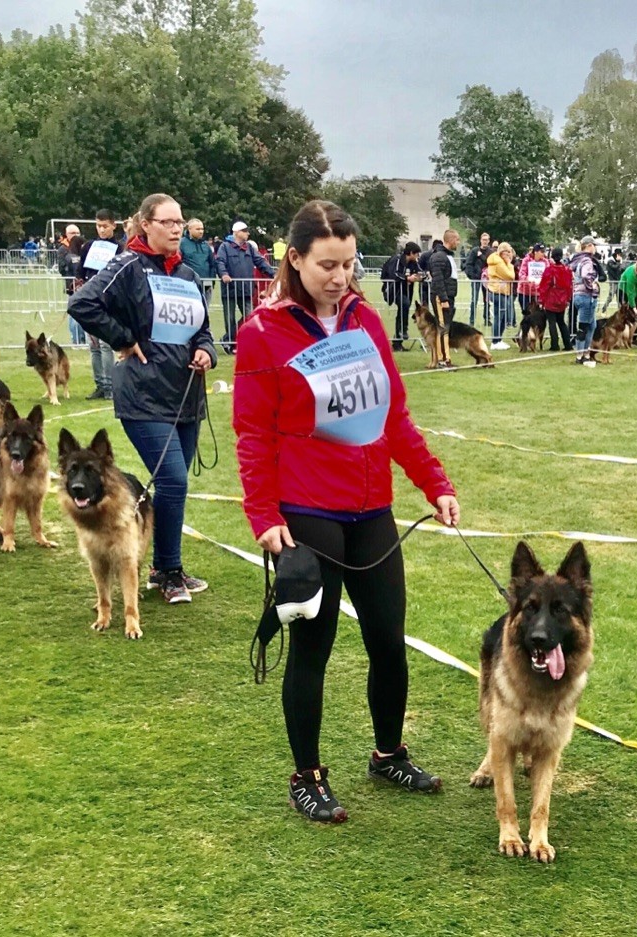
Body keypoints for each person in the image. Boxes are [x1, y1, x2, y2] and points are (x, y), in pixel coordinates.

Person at [232, 199, 459, 824]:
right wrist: (264, 517)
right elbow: (252, 435)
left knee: (389, 642)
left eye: (348, 264)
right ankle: (306, 775)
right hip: (308, 512)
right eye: (326, 264)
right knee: (315, 648)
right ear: (295, 258)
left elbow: (393, 417)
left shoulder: (367, 323)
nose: (339, 277)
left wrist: (433, 483)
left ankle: (389, 753)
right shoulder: (262, 333)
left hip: (373, 510)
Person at [68, 193, 217, 604]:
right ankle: (168, 571)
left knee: (172, 487)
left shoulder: (187, 274)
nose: (176, 229)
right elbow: (82, 303)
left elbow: (202, 327)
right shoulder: (127, 266)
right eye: (167, 222)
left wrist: (207, 350)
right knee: (172, 479)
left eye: (180, 222)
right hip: (143, 395)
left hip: (185, 393)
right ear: (146, 224)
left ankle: (162, 567)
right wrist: (124, 338)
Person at [78, 209, 126, 399]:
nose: (101, 230)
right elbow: (81, 271)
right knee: (94, 345)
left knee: (106, 345)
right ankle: (100, 384)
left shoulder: (119, 248)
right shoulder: (89, 246)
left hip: (109, 300)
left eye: (105, 226)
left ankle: (110, 385)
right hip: (90, 299)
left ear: (114, 225)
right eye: (98, 226)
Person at [215, 220, 274, 353]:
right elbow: (220, 262)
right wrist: (224, 274)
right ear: (236, 232)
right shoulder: (225, 246)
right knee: (229, 318)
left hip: (246, 289)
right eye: (244, 231)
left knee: (249, 317)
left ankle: (239, 340)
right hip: (230, 289)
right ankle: (229, 342)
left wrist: (274, 274)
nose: (247, 233)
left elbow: (260, 262)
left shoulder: (249, 248)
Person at [426, 229, 460, 369]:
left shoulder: (447, 256)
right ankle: (442, 360)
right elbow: (438, 281)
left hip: (448, 296)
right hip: (441, 298)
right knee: (442, 328)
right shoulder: (439, 257)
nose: (458, 242)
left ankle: (446, 358)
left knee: (445, 327)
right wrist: (444, 299)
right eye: (457, 240)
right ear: (451, 240)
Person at [569, 236, 602, 367]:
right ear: (589, 246)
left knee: (591, 325)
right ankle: (581, 355)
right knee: (584, 327)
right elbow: (585, 275)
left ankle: (585, 353)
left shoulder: (578, 259)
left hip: (579, 295)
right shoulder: (587, 260)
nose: (595, 248)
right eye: (594, 245)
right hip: (586, 296)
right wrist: (592, 286)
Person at [386, 241, 421, 350]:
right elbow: (394, 274)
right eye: (416, 254)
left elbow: (420, 271)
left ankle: (397, 343)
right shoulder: (397, 260)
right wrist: (407, 278)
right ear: (411, 253)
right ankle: (403, 330)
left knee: (403, 310)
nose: (417, 257)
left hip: (407, 291)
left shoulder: (413, 263)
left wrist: (421, 276)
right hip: (394, 290)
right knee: (404, 305)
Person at [537, 247, 572, 351]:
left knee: (552, 323)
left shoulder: (550, 270)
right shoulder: (567, 270)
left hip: (551, 298)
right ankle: (568, 344)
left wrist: (541, 300)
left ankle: (555, 345)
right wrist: (568, 299)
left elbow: (544, 286)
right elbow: (569, 286)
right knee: (561, 322)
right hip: (562, 299)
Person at [486, 242, 515, 350]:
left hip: (503, 291)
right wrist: (509, 264)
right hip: (498, 291)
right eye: (507, 252)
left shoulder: (500, 261)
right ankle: (495, 341)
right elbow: (510, 276)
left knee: (504, 316)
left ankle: (499, 339)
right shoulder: (498, 262)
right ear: (502, 252)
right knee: (499, 316)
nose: (509, 254)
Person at [463, 232, 493, 326]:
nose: (485, 242)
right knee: (474, 299)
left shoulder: (491, 252)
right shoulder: (474, 250)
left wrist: (481, 256)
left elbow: (489, 263)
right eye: (483, 240)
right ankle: (472, 321)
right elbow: (468, 263)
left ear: (489, 241)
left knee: (487, 300)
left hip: (486, 279)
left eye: (486, 240)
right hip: (476, 278)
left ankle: (487, 319)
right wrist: (472, 276)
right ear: (480, 240)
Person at [180, 218, 217, 292]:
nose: (201, 231)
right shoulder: (181, 243)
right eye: (198, 229)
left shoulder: (206, 245)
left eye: (202, 229)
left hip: (206, 285)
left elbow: (212, 264)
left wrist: (211, 281)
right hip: (188, 284)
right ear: (189, 229)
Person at [517, 243, 548, 316]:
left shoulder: (545, 262)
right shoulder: (526, 260)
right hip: (525, 292)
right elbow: (521, 274)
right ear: (536, 252)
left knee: (537, 315)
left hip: (538, 292)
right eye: (542, 251)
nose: (543, 253)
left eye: (544, 251)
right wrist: (528, 280)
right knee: (527, 315)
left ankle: (535, 327)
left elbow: (547, 275)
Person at [601, 248, 624, 313]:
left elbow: (620, 270)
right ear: (617, 255)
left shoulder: (616, 262)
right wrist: (619, 262)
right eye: (619, 255)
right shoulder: (610, 261)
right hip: (613, 282)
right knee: (611, 297)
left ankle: (620, 311)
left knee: (619, 297)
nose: (620, 256)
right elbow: (615, 267)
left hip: (618, 281)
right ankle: (604, 308)